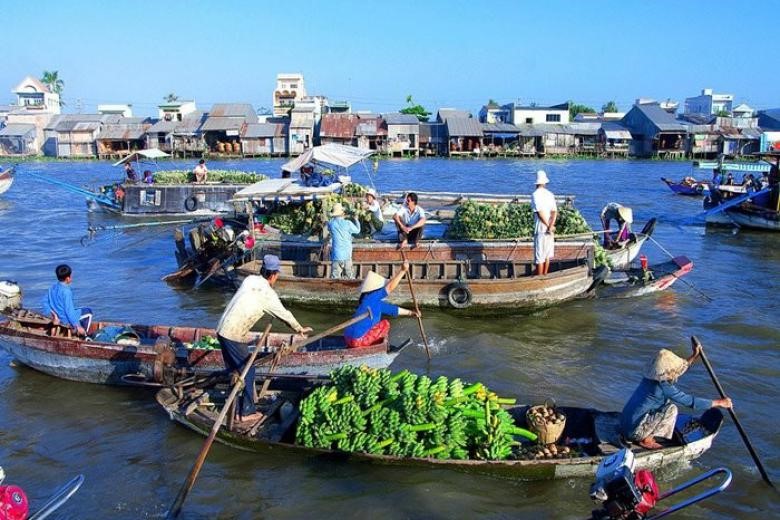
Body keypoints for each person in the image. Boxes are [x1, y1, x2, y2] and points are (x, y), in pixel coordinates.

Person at [215, 254, 313, 423]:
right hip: (233, 334)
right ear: (273, 275)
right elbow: (284, 314)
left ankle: (233, 406)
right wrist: (299, 329)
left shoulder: (250, 280)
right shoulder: (268, 295)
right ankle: (245, 412)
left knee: (235, 371)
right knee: (248, 370)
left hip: (221, 329)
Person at [621, 345, 732, 450]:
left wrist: (694, 355)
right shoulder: (663, 387)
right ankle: (647, 439)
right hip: (634, 432)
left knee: (663, 405)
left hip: (625, 424)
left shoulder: (648, 379)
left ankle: (645, 434)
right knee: (671, 409)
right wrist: (719, 402)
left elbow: (676, 371)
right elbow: (690, 401)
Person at [343, 263, 419, 348]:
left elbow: (393, 310)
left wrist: (411, 313)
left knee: (377, 324)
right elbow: (390, 288)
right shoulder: (373, 296)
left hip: (347, 337)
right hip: (357, 341)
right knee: (385, 324)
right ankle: (377, 347)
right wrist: (403, 271)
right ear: (376, 289)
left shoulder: (369, 300)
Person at [41, 264, 93, 336]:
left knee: (79, 309)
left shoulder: (52, 288)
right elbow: (69, 311)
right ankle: (84, 334)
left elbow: (44, 302)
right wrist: (77, 325)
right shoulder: (66, 291)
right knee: (88, 311)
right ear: (68, 278)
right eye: (71, 276)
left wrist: (54, 315)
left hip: (58, 316)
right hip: (64, 319)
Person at [531, 170, 557, 275]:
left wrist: (547, 226)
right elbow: (554, 212)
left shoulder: (535, 194)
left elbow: (539, 213)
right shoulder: (550, 194)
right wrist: (551, 226)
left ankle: (540, 279)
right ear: (545, 183)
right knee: (547, 255)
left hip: (541, 228)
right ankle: (545, 276)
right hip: (550, 229)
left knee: (539, 257)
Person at [327, 202, 361, 279]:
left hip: (336, 255)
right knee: (349, 277)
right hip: (347, 255)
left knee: (335, 278)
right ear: (342, 213)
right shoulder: (348, 223)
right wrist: (356, 220)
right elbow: (358, 230)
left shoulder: (331, 224)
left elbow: (329, 225)